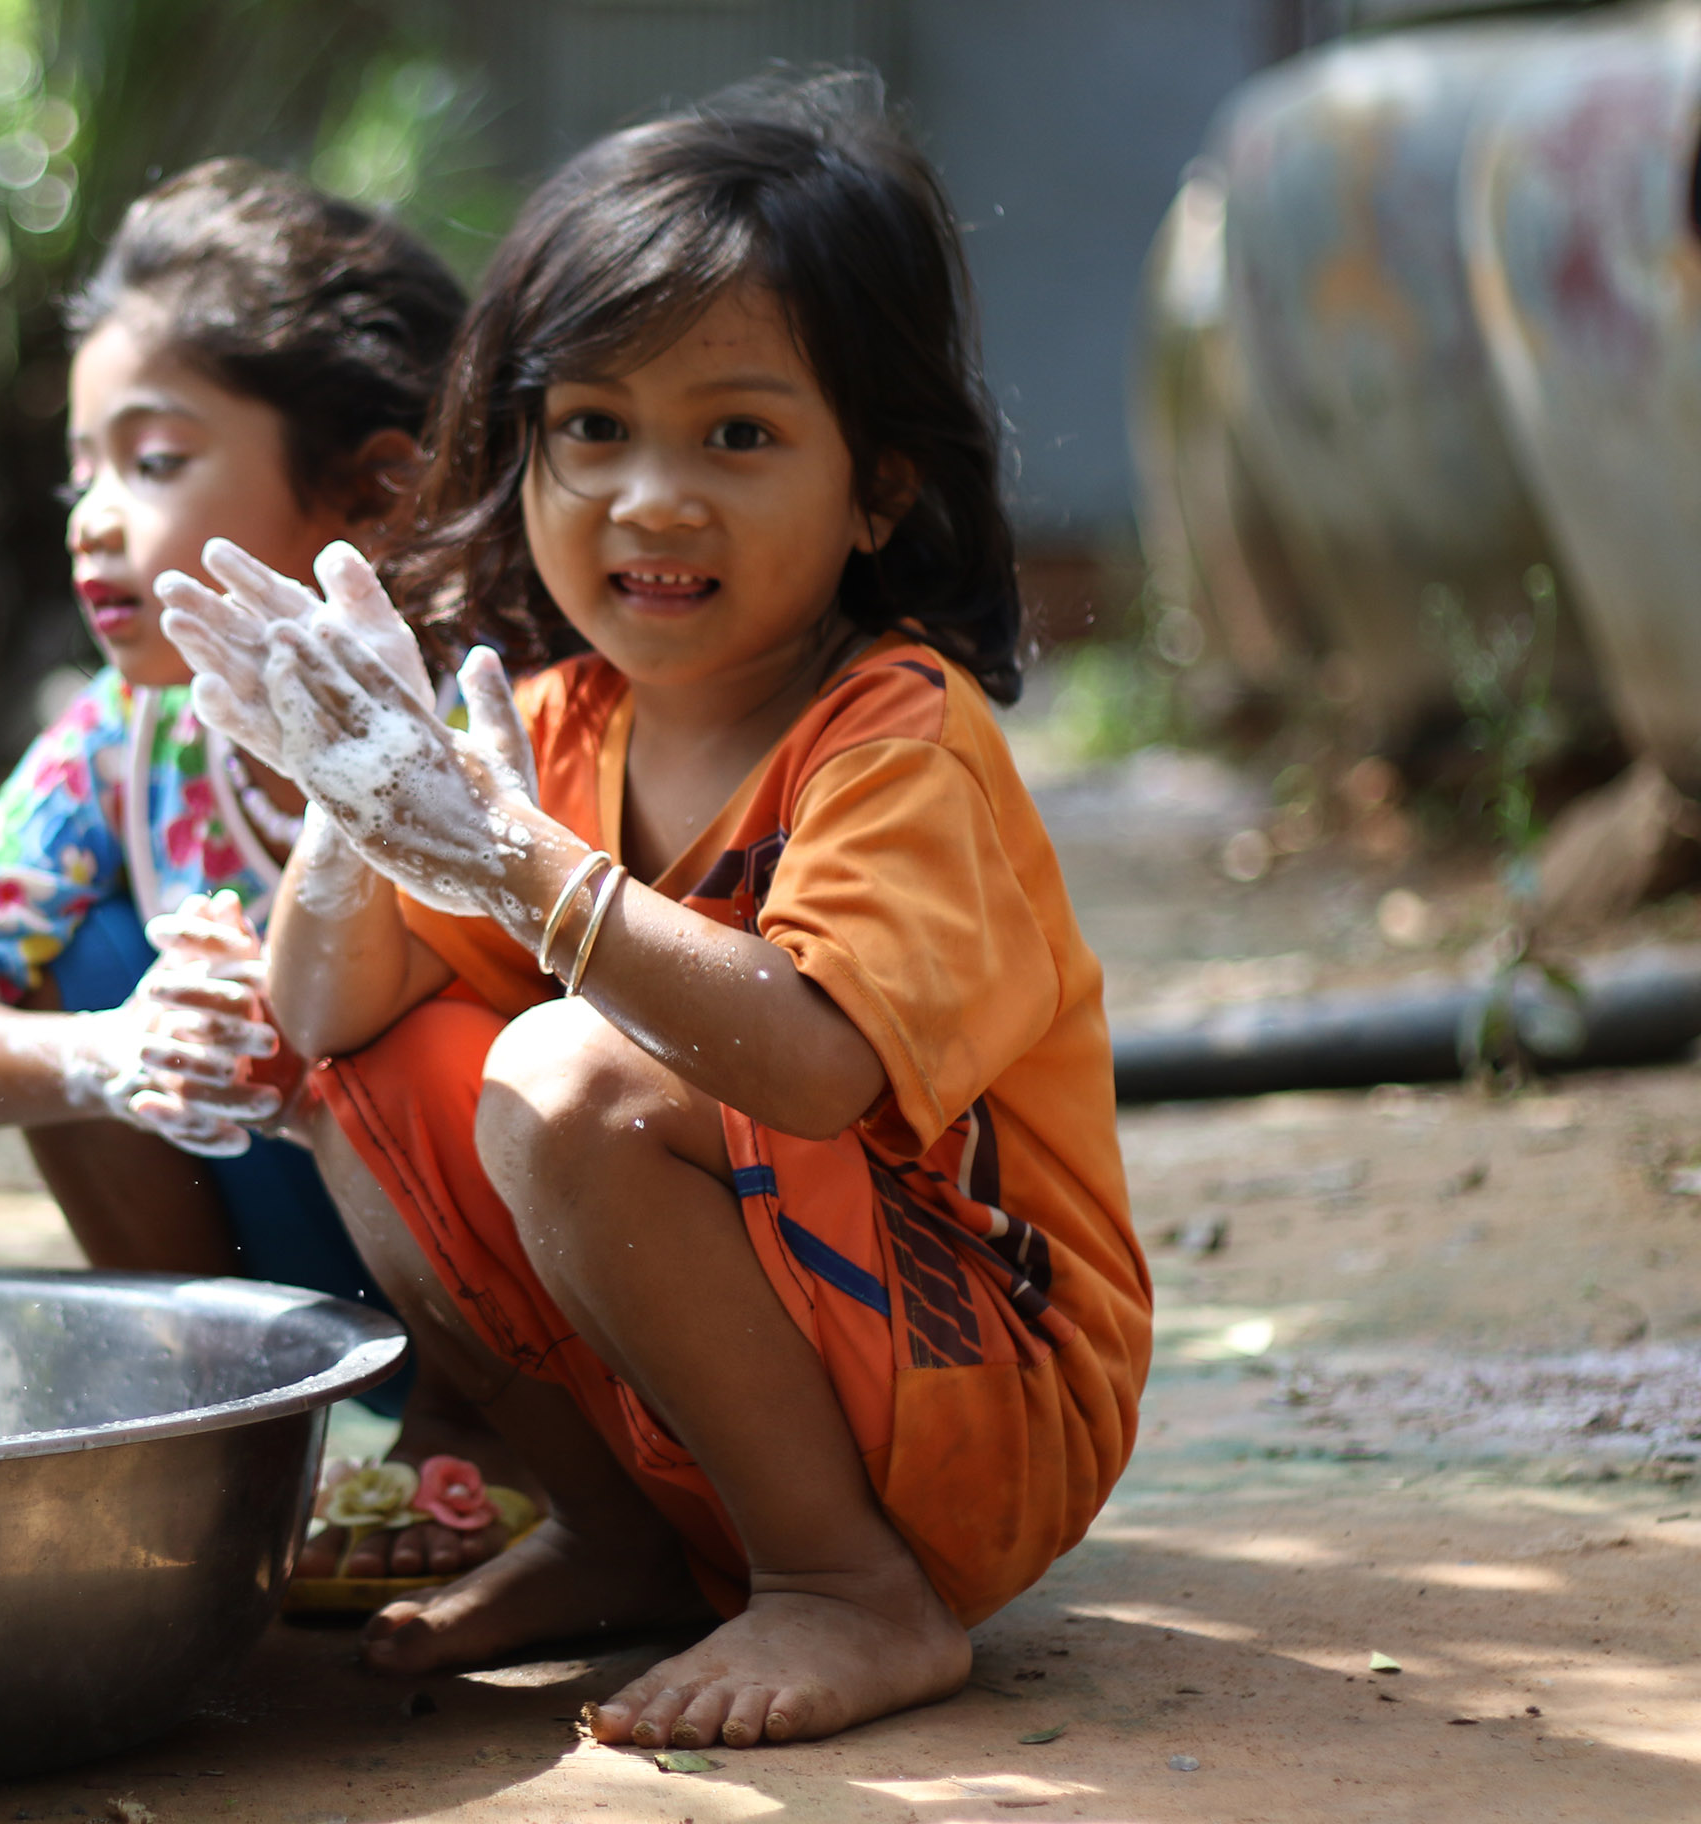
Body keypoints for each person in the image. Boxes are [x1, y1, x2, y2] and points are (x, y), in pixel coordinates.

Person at [159, 75, 1150, 1749]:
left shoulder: (905, 742)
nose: (650, 498)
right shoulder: (552, 727)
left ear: (879, 489)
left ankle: (849, 1584)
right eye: (595, 428)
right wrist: (357, 797)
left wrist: (511, 865)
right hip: (757, 1374)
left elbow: (818, 1063)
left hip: (976, 1389)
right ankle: (620, 1531)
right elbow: (327, 1018)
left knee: (567, 1073)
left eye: (738, 434)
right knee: (345, 1057)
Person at [0, 160, 513, 1573]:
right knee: (77, 973)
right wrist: (107, 1054)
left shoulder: (495, 720)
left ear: (375, 495)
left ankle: (484, 1445)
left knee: (428, 1008)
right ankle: (232, 1437)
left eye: (150, 461)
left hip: (525, 1304)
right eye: (81, 468)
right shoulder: (125, 745)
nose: (87, 516)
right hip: (293, 1274)